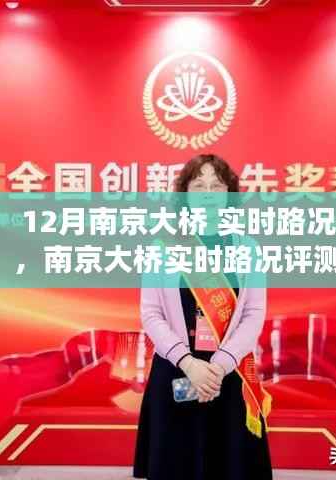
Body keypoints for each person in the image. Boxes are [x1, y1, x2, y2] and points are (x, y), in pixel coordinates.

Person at [133, 153, 273, 480]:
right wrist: (189, 363)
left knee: (229, 466)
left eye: (216, 185)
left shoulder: (247, 247)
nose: (208, 194)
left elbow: (254, 313)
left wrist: (220, 365)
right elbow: (151, 313)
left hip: (230, 372)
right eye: (198, 186)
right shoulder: (163, 246)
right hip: (176, 370)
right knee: (176, 464)